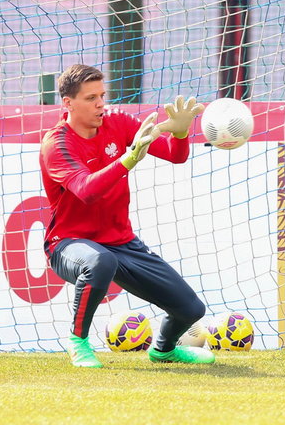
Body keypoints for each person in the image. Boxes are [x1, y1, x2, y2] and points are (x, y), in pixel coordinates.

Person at [39, 64, 213, 367]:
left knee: (191, 309)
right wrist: (130, 157)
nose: (100, 104)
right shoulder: (57, 144)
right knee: (99, 262)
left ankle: (164, 350)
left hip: (122, 242)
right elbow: (85, 189)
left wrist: (182, 132)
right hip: (68, 243)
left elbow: (175, 155)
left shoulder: (117, 121)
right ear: (68, 103)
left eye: (102, 95)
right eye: (91, 97)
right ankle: (78, 342)